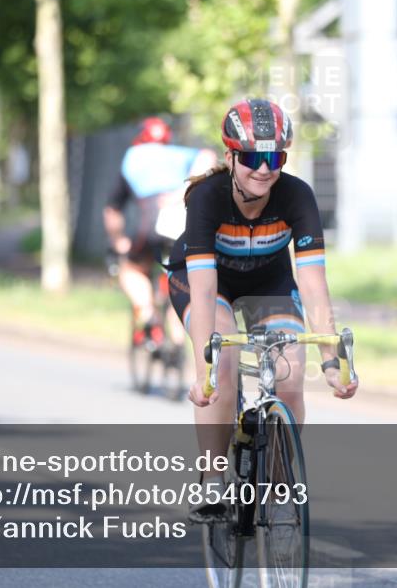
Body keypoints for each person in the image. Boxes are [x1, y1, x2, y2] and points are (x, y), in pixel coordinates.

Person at [165, 98, 358, 521]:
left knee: (291, 369)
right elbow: (203, 288)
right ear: (231, 156)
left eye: (275, 157)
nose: (264, 168)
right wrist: (204, 373)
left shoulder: (296, 195)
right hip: (205, 281)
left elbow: (312, 283)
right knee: (225, 357)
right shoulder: (206, 197)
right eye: (252, 157)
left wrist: (330, 359)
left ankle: (272, 485)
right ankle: (213, 480)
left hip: (269, 281)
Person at [103, 117, 216, 346]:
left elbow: (113, 210)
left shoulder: (132, 157)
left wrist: (118, 241)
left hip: (153, 221)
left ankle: (147, 314)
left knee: (130, 269)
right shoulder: (179, 154)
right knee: (179, 278)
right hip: (185, 223)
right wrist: (184, 189)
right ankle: (176, 342)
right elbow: (209, 156)